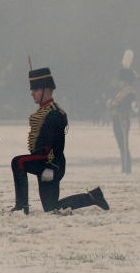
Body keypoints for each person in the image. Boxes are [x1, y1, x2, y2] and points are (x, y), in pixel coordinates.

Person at [11, 67, 109, 214]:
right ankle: (92, 197)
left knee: (18, 162)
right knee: (51, 207)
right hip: (41, 161)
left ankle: (21, 207)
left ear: (47, 90)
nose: (32, 94)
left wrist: (50, 166)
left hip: (50, 163)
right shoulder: (43, 112)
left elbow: (57, 144)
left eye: (36, 90)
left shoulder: (55, 114)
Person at [108, 68, 136, 173]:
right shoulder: (122, 92)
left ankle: (127, 167)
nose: (120, 83)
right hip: (117, 119)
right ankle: (125, 166)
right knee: (121, 145)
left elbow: (126, 106)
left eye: (121, 81)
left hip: (122, 119)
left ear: (126, 81)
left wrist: (115, 105)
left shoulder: (129, 92)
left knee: (124, 144)